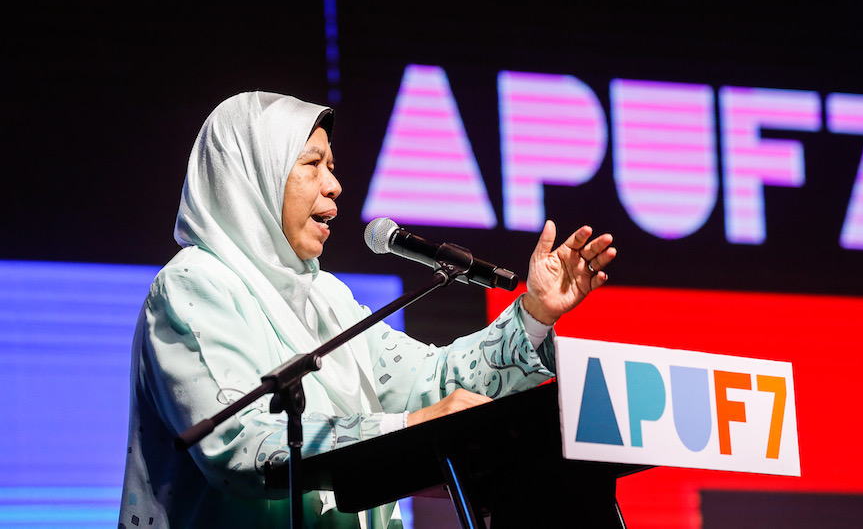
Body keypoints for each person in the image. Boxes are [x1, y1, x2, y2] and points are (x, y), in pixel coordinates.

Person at [118, 91, 616, 529]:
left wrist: (534, 313)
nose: (334, 184)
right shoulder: (194, 285)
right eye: (312, 164)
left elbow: (433, 384)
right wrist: (406, 428)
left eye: (331, 167)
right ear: (252, 174)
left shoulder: (326, 298)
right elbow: (239, 445)